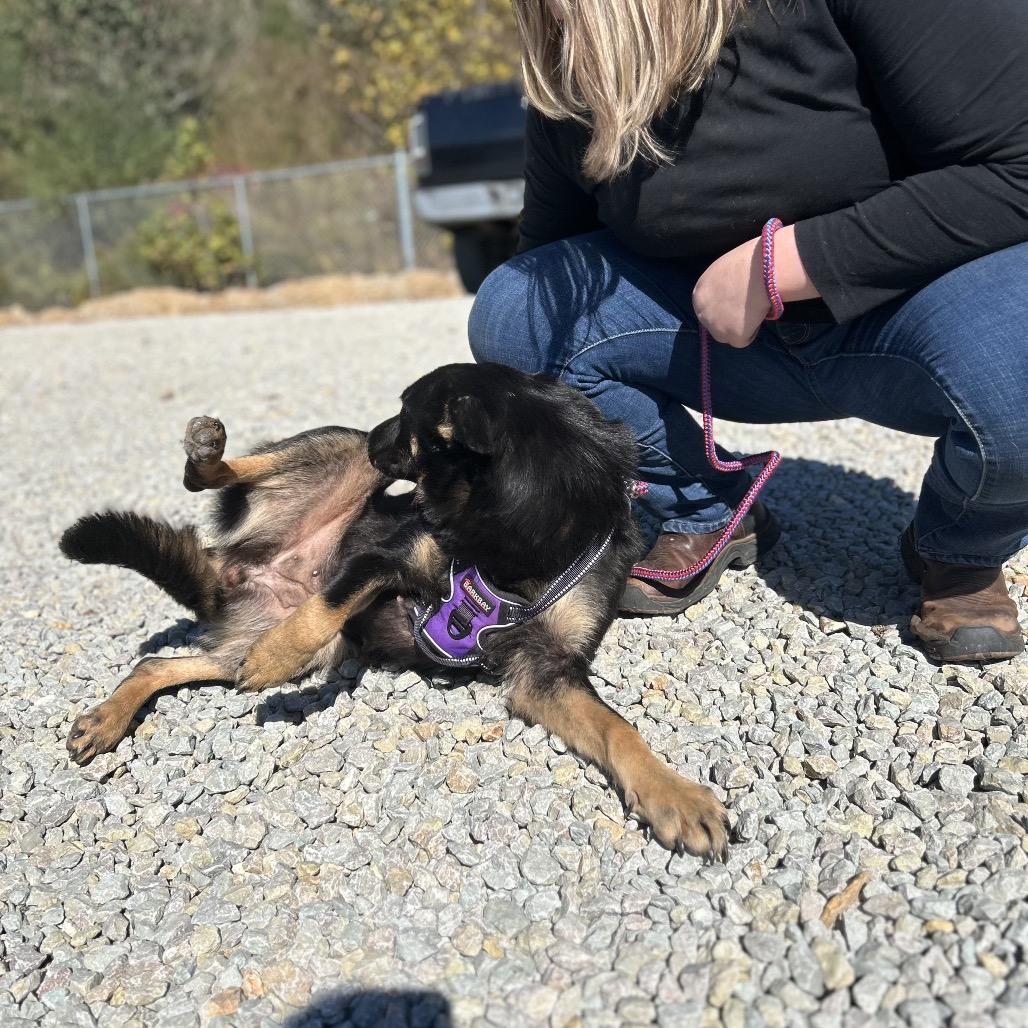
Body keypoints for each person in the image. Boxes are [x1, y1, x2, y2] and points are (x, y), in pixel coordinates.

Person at [468, 0, 1028, 663]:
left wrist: (785, 266)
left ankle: (960, 549)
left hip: (918, 310)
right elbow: (546, 263)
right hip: (724, 342)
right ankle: (706, 501)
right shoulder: (580, 50)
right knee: (516, 310)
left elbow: (1015, 167)